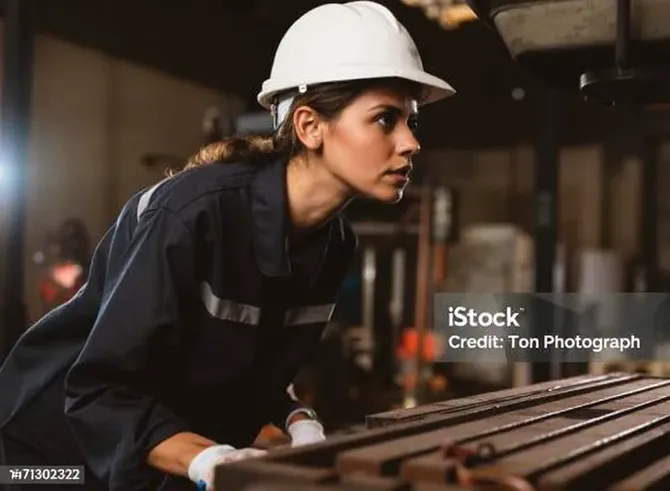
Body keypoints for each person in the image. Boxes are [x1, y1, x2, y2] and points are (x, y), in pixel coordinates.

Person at [0, 2, 455, 490]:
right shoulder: (192, 215)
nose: (410, 142)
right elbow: (98, 392)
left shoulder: (333, 243)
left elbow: (245, 371)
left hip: (150, 458)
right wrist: (205, 460)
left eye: (411, 122)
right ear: (309, 126)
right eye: (386, 119)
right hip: (48, 457)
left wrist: (298, 420)